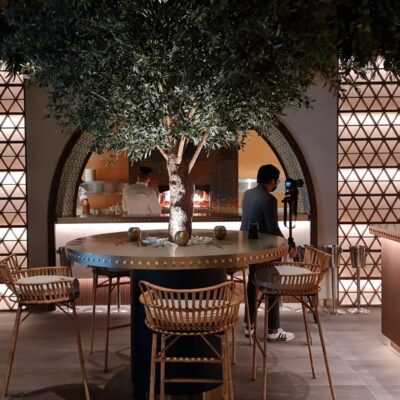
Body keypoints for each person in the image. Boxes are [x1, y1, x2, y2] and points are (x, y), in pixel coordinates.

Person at [241, 164, 295, 342]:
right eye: (276, 181)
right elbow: (272, 229)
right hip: (264, 249)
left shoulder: (248, 194)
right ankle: (273, 329)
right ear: (272, 180)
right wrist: (288, 245)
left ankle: (249, 325)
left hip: (248, 246)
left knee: (252, 282)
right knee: (273, 282)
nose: (275, 185)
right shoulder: (269, 199)